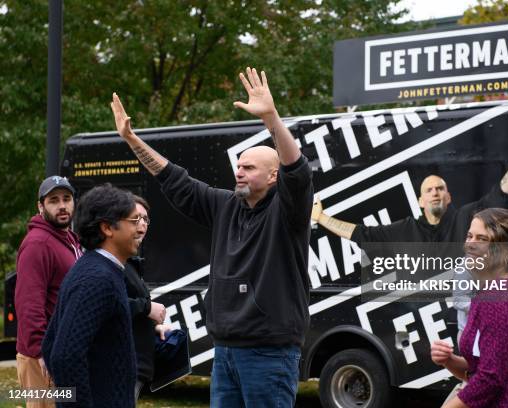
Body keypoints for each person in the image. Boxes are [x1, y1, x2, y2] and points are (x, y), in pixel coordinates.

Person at [110, 67, 313, 407]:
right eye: (238, 165)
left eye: (248, 167)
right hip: (226, 351)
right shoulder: (225, 205)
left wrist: (271, 118)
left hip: (269, 353)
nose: (239, 170)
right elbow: (175, 180)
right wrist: (132, 139)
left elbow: (298, 171)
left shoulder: (287, 211)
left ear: (273, 176)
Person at [310, 107, 508, 245]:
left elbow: (503, 191)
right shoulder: (406, 230)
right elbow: (362, 234)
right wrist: (320, 218)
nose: (435, 193)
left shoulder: (466, 219)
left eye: (440, 189)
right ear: (420, 201)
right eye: (429, 190)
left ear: (449, 197)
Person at [430, 208, 508, 408]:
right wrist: (449, 360)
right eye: (469, 236)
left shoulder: (502, 297)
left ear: (506, 252)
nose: (470, 244)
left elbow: (490, 379)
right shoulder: (490, 292)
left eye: (482, 239)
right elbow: (481, 368)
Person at [41, 184, 140, 408]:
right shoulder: (97, 278)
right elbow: (64, 356)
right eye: (133, 221)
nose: (140, 228)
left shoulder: (98, 269)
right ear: (107, 228)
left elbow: (51, 343)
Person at [15, 176, 81, 408]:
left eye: (67, 198)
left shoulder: (69, 239)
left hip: (62, 351)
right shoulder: (38, 244)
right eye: (54, 200)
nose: (62, 205)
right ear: (41, 206)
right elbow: (28, 303)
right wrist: (40, 350)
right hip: (41, 356)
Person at [125, 195, 173, 400]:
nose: (142, 224)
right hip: (123, 367)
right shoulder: (109, 264)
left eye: (145, 219)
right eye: (135, 219)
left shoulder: (130, 263)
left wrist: (153, 328)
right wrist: (146, 308)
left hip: (137, 368)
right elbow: (106, 305)